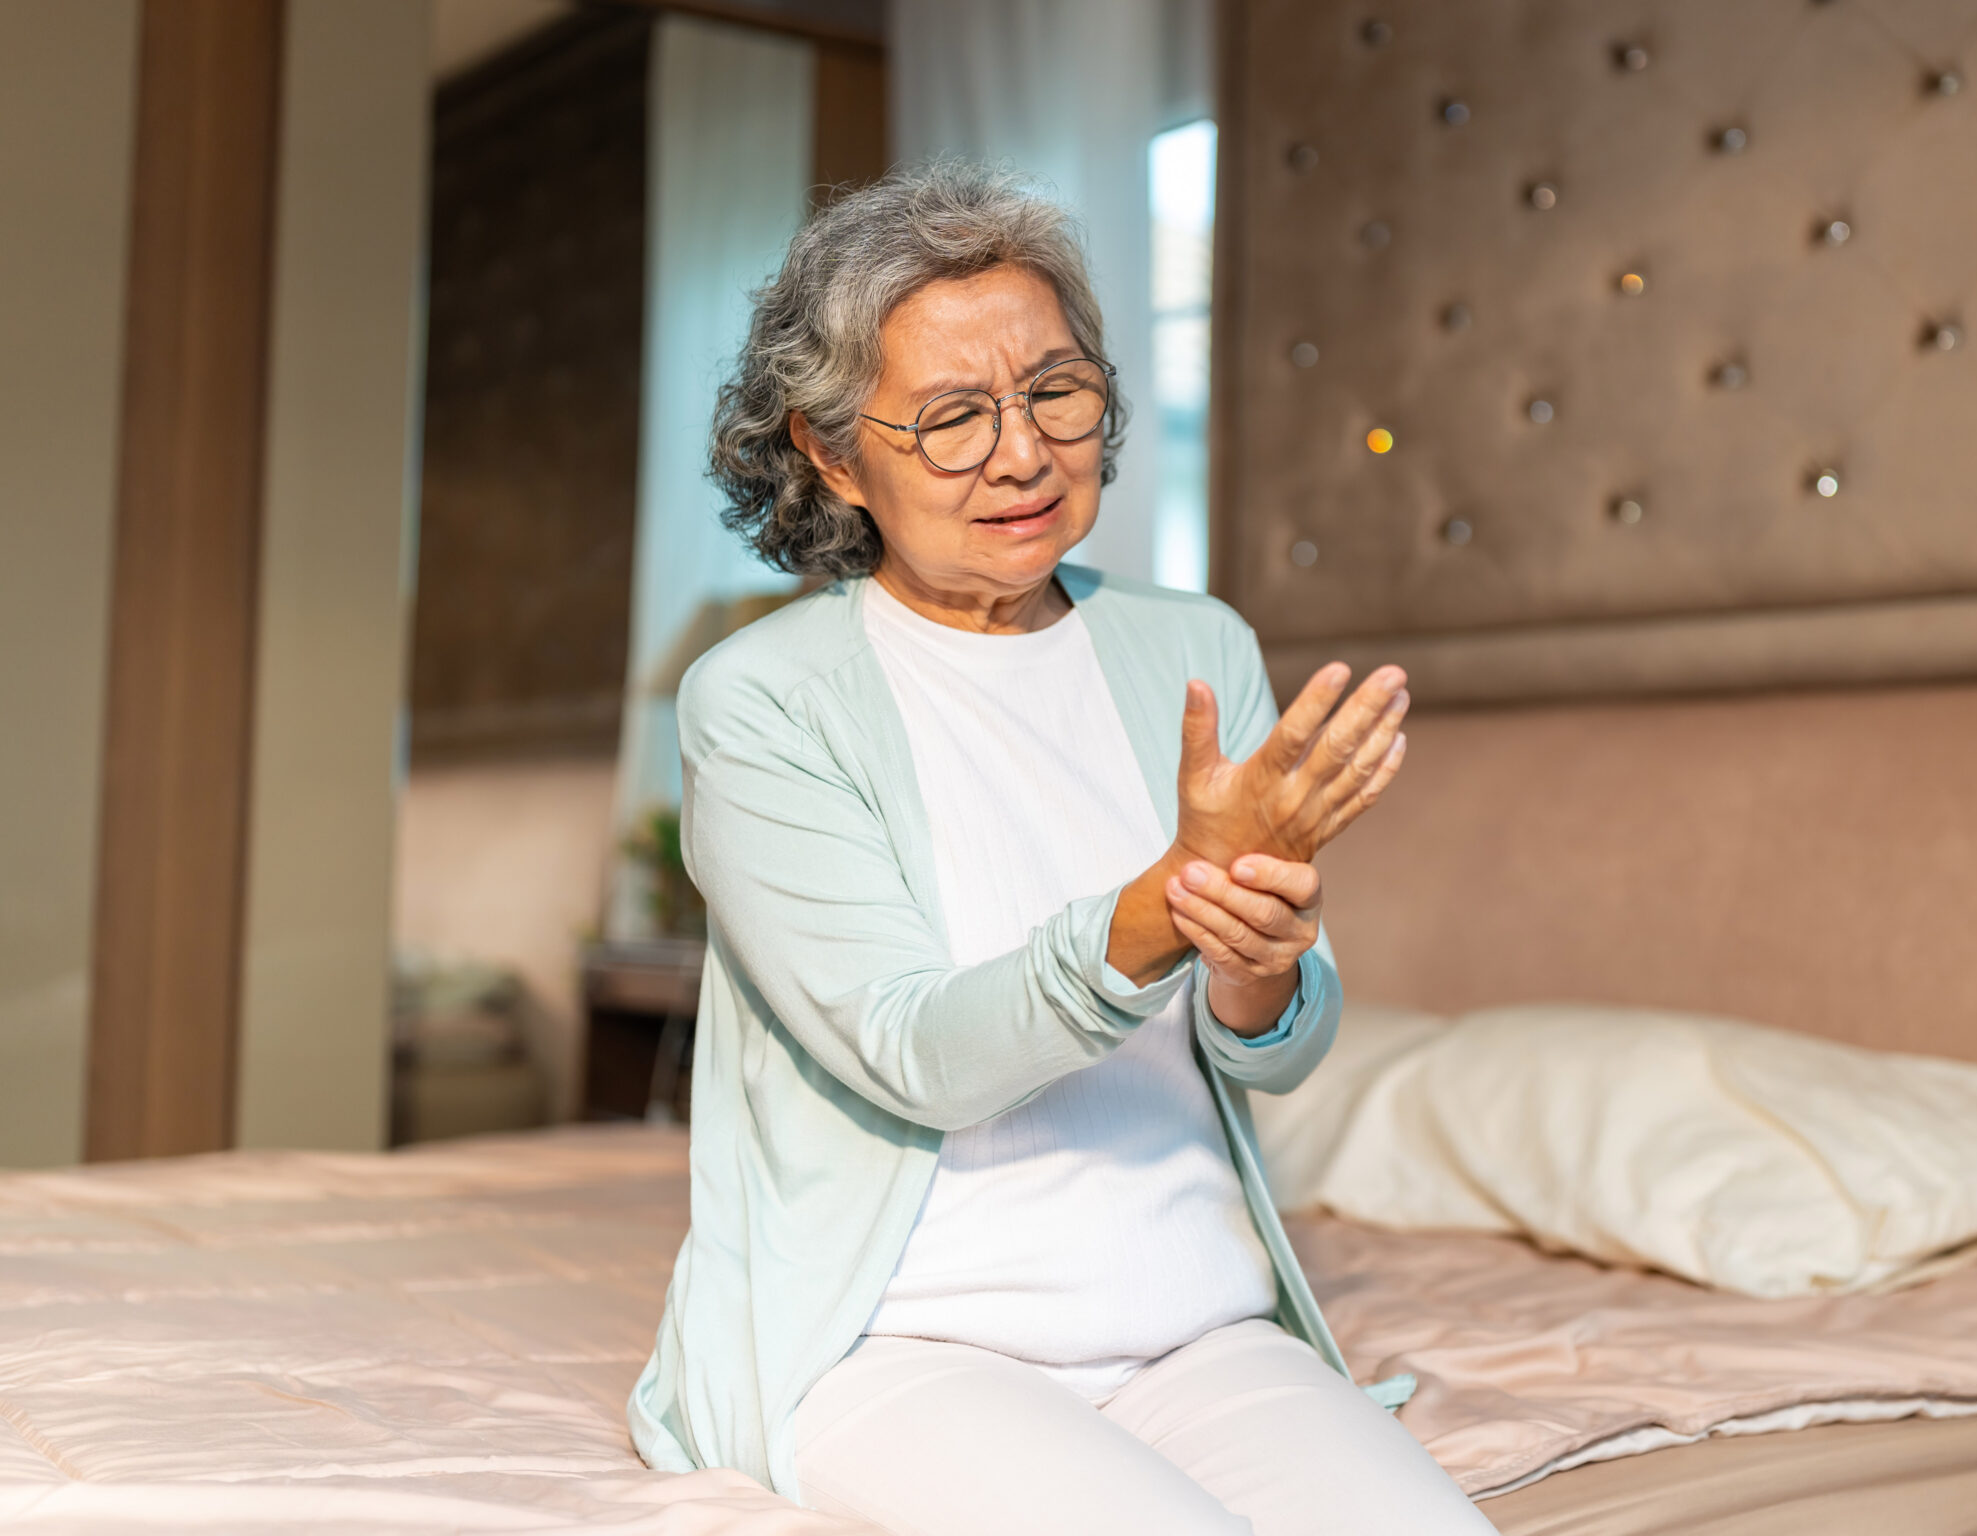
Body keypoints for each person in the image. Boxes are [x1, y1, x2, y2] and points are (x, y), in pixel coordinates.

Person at [627, 162, 1496, 1536]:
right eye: (953, 418)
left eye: (1056, 392)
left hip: (1197, 1329)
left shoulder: (1194, 648)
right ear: (834, 452)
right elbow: (919, 1054)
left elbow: (1278, 1045)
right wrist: (1169, 905)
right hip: (902, 1348)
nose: (1023, 453)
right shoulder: (765, 701)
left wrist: (1262, 973)